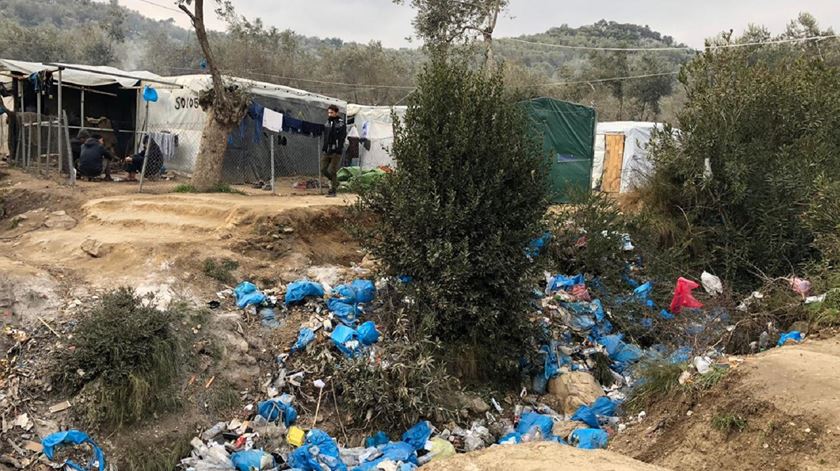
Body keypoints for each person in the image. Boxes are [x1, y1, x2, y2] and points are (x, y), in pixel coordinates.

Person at [320, 104, 346, 197]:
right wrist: (325, 147)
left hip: (336, 150)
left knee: (332, 170)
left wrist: (338, 148)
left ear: (336, 112)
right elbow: (326, 136)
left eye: (331, 112)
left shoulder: (340, 123)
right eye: (329, 112)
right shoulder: (327, 122)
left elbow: (342, 136)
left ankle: (333, 190)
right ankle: (336, 182)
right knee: (323, 169)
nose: (329, 114)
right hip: (328, 149)